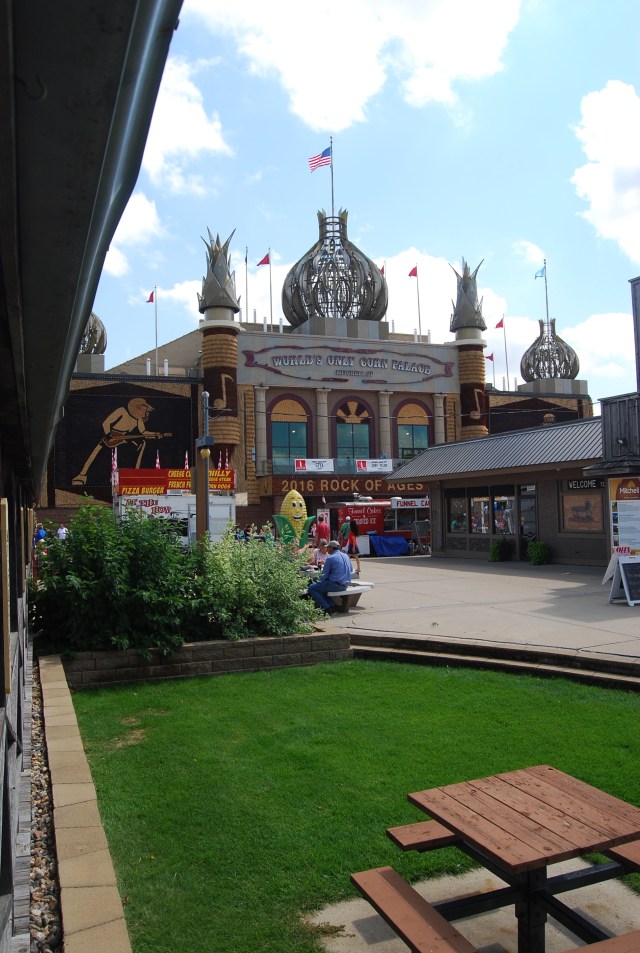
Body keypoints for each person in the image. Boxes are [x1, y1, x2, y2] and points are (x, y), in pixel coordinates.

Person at [306, 540, 352, 614]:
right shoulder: (345, 556)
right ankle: (332, 606)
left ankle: (327, 608)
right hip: (345, 585)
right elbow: (351, 570)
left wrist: (317, 581)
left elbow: (324, 576)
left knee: (312, 587)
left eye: (328, 548)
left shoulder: (330, 558)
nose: (327, 549)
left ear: (331, 548)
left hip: (335, 585)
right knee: (321, 587)